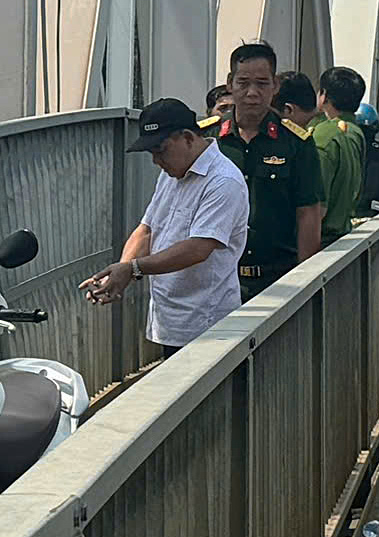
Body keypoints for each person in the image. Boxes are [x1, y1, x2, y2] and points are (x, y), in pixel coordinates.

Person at [85, 98, 250, 361]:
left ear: (188, 138)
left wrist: (133, 269)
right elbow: (148, 230)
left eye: (160, 151)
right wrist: (121, 272)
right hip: (169, 319)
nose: (156, 161)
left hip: (206, 322)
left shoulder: (223, 181)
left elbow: (198, 249)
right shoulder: (172, 173)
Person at [214, 41, 322, 298]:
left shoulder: (296, 143)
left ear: (275, 86)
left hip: (277, 278)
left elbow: (308, 212)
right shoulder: (208, 140)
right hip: (218, 279)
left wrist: (305, 280)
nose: (252, 93)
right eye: (243, 83)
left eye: (262, 83)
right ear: (229, 84)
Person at [309, 67, 369, 243]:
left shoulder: (323, 136)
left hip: (320, 239)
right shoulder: (354, 132)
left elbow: (316, 208)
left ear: (324, 96)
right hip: (343, 232)